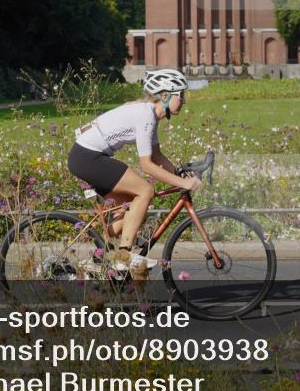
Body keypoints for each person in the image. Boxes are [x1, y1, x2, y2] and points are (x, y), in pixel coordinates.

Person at [67, 69, 201, 272]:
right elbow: (147, 165)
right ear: (165, 96)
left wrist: (178, 173)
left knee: (126, 207)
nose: (184, 101)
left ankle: (97, 258)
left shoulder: (150, 115)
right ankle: (123, 255)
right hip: (88, 156)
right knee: (145, 190)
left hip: (85, 156)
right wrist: (183, 184)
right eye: (181, 95)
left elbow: (157, 156)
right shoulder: (146, 116)